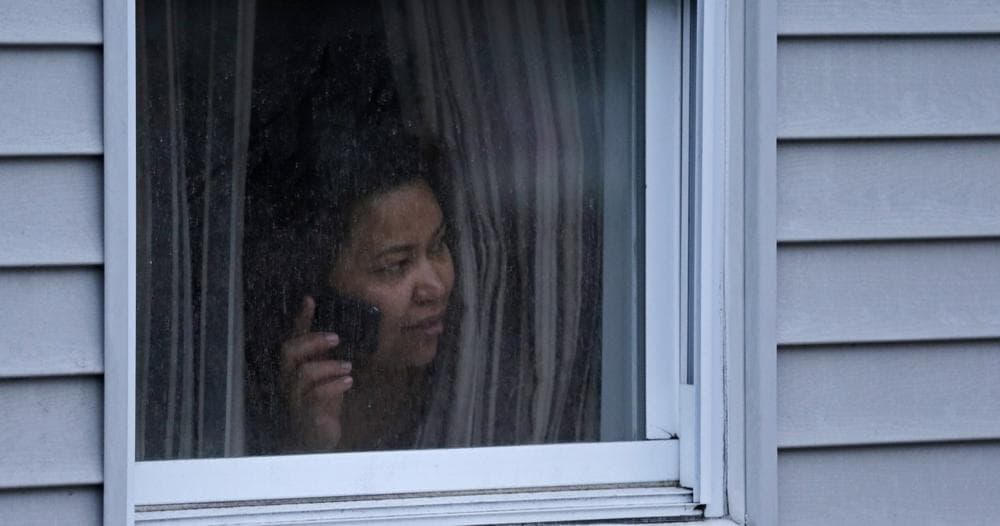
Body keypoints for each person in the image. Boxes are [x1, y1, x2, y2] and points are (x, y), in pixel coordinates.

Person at [276, 130, 456, 452]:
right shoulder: (272, 397)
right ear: (324, 288)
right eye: (395, 265)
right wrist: (309, 448)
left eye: (438, 245)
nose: (436, 288)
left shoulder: (461, 376)